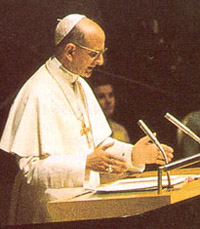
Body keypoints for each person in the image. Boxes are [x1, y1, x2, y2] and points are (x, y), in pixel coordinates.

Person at [0, 14, 173, 225]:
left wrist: (132, 155)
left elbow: (97, 146)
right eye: (94, 54)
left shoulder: (79, 83)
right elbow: (31, 169)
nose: (100, 61)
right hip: (47, 212)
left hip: (83, 205)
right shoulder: (38, 92)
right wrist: (85, 163)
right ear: (70, 51)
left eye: (102, 54)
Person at [88, 73, 131, 143]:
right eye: (101, 96)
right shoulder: (88, 131)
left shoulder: (121, 131)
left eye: (110, 95)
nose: (108, 101)